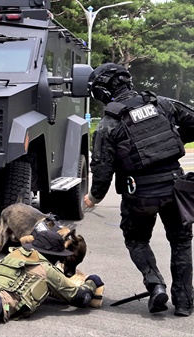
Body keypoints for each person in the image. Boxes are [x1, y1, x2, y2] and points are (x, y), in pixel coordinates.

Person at [85, 63, 194, 316]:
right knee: (180, 241)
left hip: (140, 194)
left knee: (136, 239)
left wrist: (94, 197)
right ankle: (185, 302)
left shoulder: (109, 123)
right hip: (175, 188)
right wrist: (175, 138)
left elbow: (102, 168)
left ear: (103, 91)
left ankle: (156, 286)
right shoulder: (163, 104)